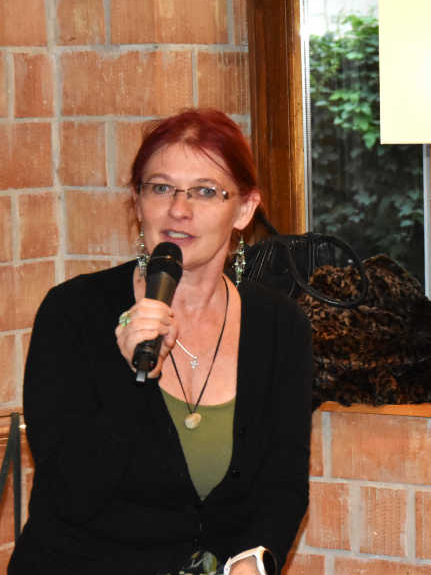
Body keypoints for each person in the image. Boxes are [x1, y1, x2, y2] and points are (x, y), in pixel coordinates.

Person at [10, 110, 314, 575]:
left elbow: (283, 480)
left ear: (245, 209)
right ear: (138, 202)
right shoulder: (73, 312)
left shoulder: (280, 324)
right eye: (160, 188)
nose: (179, 210)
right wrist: (134, 376)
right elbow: (70, 496)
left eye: (205, 191)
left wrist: (253, 560)